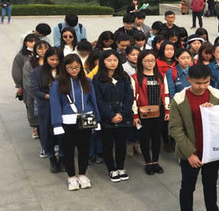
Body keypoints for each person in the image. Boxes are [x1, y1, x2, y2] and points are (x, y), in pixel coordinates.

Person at [169, 64, 219, 211]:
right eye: (198, 83)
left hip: (211, 152)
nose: (202, 86)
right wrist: (189, 154)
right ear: (188, 79)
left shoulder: (217, 96)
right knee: (187, 187)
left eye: (206, 82)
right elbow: (176, 129)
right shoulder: (179, 100)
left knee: (211, 184)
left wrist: (212, 114)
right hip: (190, 152)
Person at [50, 54, 101, 191]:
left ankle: (83, 174)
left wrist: (97, 119)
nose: (74, 70)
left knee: (84, 148)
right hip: (67, 121)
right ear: (64, 68)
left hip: (86, 118)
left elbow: (93, 101)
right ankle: (71, 176)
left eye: (77, 67)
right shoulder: (58, 84)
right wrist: (57, 124)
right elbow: (55, 104)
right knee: (68, 150)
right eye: (70, 68)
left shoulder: (87, 82)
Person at [93, 50, 134, 183]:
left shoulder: (124, 76)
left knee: (121, 144)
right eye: (109, 60)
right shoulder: (98, 79)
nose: (112, 63)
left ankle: (121, 167)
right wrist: (111, 115)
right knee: (108, 145)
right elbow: (99, 100)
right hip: (107, 119)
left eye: (115, 60)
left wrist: (121, 113)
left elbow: (129, 96)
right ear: (103, 62)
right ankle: (111, 168)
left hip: (123, 117)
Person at [131, 50, 170, 175]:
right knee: (144, 137)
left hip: (159, 110)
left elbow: (166, 93)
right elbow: (133, 98)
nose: (150, 63)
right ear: (141, 62)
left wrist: (167, 110)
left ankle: (155, 161)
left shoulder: (161, 76)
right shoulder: (135, 77)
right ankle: (148, 162)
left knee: (156, 137)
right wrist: (135, 115)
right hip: (143, 112)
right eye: (146, 60)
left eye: (152, 60)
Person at [31, 47, 63, 172]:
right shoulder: (38, 72)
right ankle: (52, 158)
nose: (54, 62)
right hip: (46, 106)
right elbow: (34, 90)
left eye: (57, 59)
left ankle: (63, 157)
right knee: (47, 133)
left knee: (63, 133)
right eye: (52, 59)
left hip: (62, 106)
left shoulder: (63, 70)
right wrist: (49, 96)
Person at [24, 40, 51, 144]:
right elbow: (27, 82)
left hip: (51, 96)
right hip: (36, 98)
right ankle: (44, 145)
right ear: (35, 50)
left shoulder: (53, 61)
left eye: (46, 48)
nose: (43, 51)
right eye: (40, 48)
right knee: (40, 123)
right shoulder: (30, 64)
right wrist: (39, 94)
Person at [12, 33, 37, 107]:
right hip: (27, 84)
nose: (33, 44)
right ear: (25, 43)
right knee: (30, 105)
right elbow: (16, 71)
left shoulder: (42, 53)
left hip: (40, 84)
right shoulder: (21, 55)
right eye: (31, 42)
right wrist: (19, 85)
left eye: (35, 41)